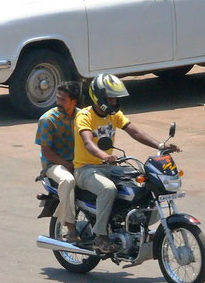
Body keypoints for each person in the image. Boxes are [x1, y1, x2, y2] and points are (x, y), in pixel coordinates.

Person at [74, 74, 178, 253]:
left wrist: (160, 145)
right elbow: (88, 142)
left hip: (109, 168)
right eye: (111, 98)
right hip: (86, 169)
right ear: (99, 97)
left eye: (116, 98)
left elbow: (135, 132)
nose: (115, 102)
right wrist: (103, 155)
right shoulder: (85, 116)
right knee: (108, 189)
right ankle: (100, 236)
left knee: (141, 181)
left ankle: (127, 223)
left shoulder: (114, 116)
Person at [35, 81, 82, 241]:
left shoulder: (83, 117)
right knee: (68, 181)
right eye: (58, 98)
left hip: (80, 162)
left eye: (63, 99)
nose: (58, 102)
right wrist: (67, 164)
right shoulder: (47, 120)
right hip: (54, 165)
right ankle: (70, 227)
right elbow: (46, 152)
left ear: (73, 101)